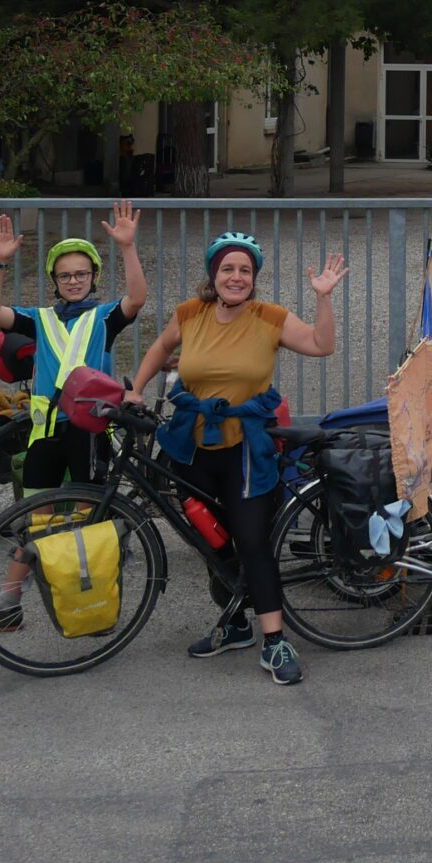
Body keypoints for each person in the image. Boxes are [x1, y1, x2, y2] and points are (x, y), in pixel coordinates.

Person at [129, 231, 349, 688]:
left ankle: (274, 641)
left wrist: (323, 300)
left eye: (244, 270)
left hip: (247, 448)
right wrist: (136, 388)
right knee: (210, 541)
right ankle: (235, 623)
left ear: (254, 279)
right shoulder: (191, 314)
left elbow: (321, 345)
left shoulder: (269, 318)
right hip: (193, 445)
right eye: (228, 268)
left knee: (251, 541)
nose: (236, 277)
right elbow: (160, 348)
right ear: (214, 275)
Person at [0, 204, 149, 636]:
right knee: (36, 518)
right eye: (66, 275)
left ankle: (96, 606)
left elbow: (137, 298)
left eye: (82, 273)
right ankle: (8, 605)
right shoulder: (39, 319)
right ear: (55, 282)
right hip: (46, 433)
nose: (75, 280)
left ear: (94, 277)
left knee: (89, 523)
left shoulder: (104, 317)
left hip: (91, 432)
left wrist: (128, 247)